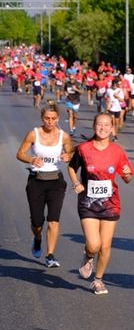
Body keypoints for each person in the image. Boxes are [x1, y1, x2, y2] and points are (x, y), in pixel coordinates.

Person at [68, 114, 134, 295]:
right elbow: (72, 167)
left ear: (112, 128)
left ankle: (98, 280)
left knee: (105, 246)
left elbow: (127, 178)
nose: (103, 128)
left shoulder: (118, 151)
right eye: (99, 124)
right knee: (94, 244)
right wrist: (76, 183)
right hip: (87, 202)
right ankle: (88, 255)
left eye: (107, 125)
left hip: (110, 203)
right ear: (93, 126)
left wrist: (127, 174)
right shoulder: (83, 149)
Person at [16, 101, 73, 267]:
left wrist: (67, 156)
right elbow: (20, 153)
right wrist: (31, 159)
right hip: (36, 181)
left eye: (53, 118)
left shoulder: (64, 136)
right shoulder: (33, 134)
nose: (50, 121)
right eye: (47, 118)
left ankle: (50, 255)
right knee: (37, 222)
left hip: (56, 181)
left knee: (54, 220)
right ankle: (38, 238)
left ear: (57, 118)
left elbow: (70, 152)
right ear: (42, 118)